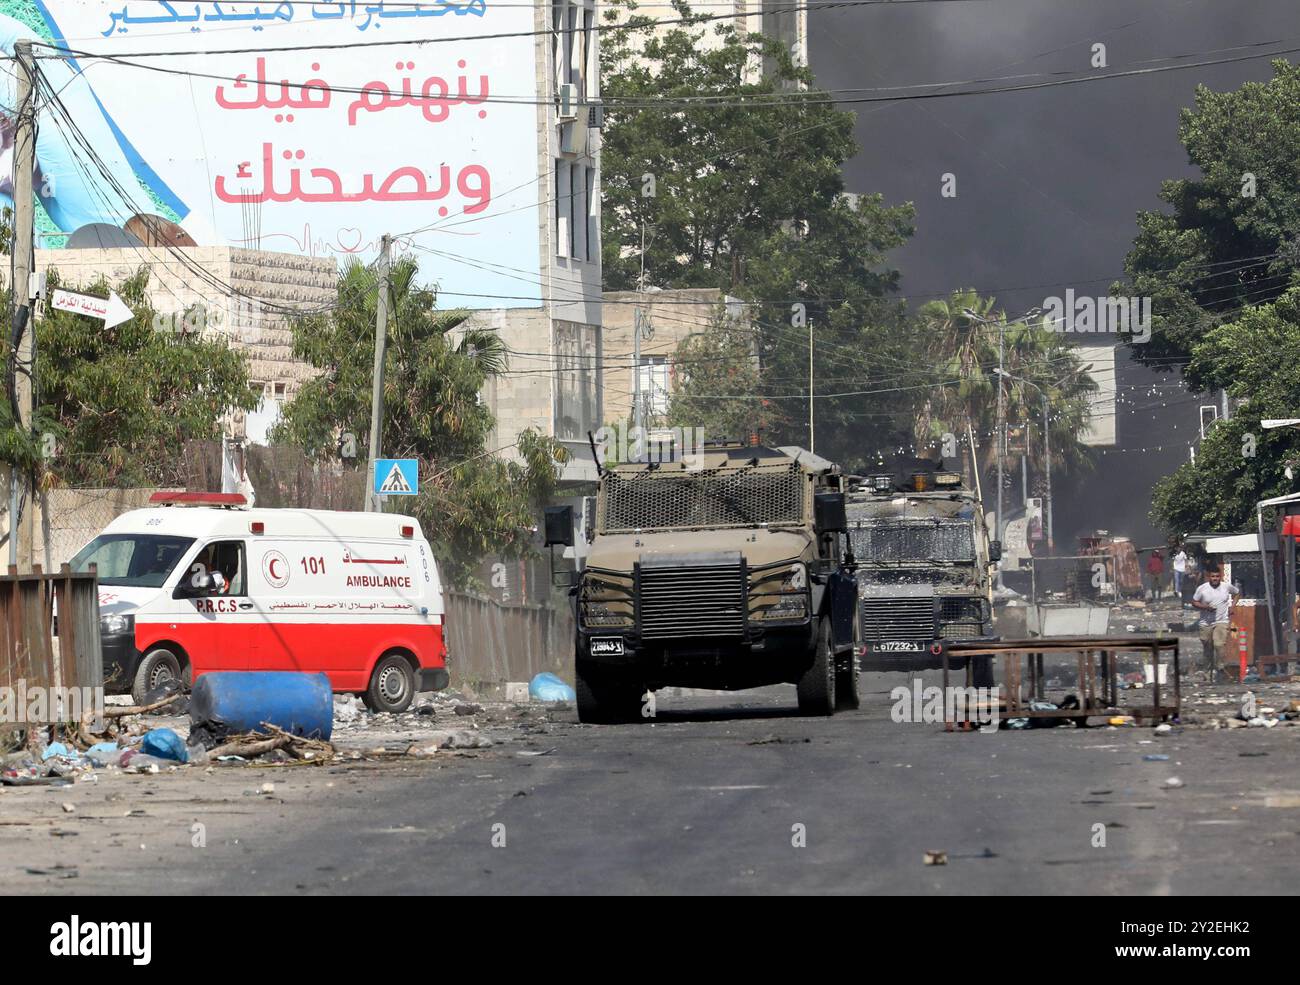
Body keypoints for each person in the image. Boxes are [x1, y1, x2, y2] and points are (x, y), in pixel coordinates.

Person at [1191, 566, 1240, 681]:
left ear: (1220, 577)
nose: (1215, 579)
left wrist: (1232, 607)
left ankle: (1220, 669)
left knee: (1219, 645)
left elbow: (1237, 593)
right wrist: (1205, 607)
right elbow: (1194, 602)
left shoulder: (1226, 587)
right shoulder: (1202, 588)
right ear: (1209, 577)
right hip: (1205, 622)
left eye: (1217, 576)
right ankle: (1207, 672)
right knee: (1207, 647)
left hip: (1221, 621)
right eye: (1213, 576)